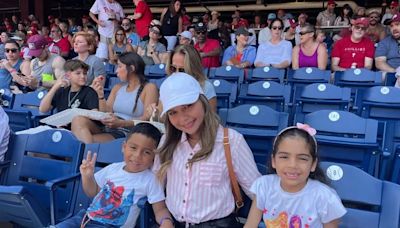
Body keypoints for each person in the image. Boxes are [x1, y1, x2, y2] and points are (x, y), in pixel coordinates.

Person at [153, 73, 261, 227]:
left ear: (203, 102)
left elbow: (258, 192)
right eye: (173, 112)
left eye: (188, 106)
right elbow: (155, 189)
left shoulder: (231, 141)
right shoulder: (167, 141)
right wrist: (164, 219)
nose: (183, 118)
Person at [56, 123, 174, 228]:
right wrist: (87, 177)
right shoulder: (113, 168)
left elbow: (160, 209)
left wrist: (166, 221)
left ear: (154, 156)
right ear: (124, 147)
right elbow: (92, 192)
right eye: (133, 148)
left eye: (146, 152)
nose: (137, 155)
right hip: (85, 217)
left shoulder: (150, 179)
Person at [244, 124, 346, 228]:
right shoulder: (264, 186)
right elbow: (250, 224)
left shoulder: (325, 198)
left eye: (302, 158)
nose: (292, 165)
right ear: (273, 161)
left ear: (313, 164)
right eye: (284, 157)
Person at [71, 52, 158, 144]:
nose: (116, 71)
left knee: (84, 141)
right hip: (108, 127)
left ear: (132, 68)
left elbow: (147, 119)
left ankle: (84, 155)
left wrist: (121, 123)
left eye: (120, 66)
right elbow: (106, 111)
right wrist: (100, 96)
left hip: (128, 131)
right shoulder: (117, 87)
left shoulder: (149, 87)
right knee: (78, 120)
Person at [166, 44, 217, 111]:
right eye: (173, 68)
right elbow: (162, 118)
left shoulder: (206, 87)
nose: (177, 73)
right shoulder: (168, 86)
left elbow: (210, 119)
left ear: (193, 68)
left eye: (182, 70)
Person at [375, 12, 400, 86]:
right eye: (391, 26)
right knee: (380, 76)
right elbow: (379, 63)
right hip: (390, 72)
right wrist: (396, 73)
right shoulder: (384, 42)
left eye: (397, 25)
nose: (394, 28)